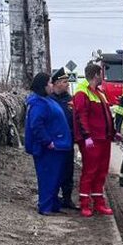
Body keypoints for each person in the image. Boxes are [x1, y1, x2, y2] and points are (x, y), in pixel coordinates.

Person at [73, 60, 120, 217]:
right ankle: (85, 204)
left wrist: (113, 133)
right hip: (92, 140)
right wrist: (86, 136)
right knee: (90, 171)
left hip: (103, 138)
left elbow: (107, 116)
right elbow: (81, 115)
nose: (103, 77)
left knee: (101, 171)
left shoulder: (99, 93)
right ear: (95, 75)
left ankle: (99, 203)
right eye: (101, 74)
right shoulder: (82, 92)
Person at [24, 72, 73, 215]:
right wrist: (48, 141)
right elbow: (36, 125)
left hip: (58, 145)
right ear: (43, 85)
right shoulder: (39, 103)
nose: (52, 85)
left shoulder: (46, 100)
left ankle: (53, 204)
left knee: (56, 177)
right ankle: (45, 207)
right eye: (50, 83)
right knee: (48, 177)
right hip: (49, 148)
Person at [49, 68, 78, 209]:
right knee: (55, 172)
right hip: (54, 144)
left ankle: (67, 199)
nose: (68, 84)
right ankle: (53, 199)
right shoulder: (49, 100)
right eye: (65, 82)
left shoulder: (70, 100)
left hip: (68, 142)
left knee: (68, 171)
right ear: (57, 83)